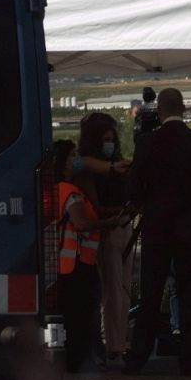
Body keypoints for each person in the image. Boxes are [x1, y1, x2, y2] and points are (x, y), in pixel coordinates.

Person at [123, 88, 191, 376]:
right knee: (188, 295)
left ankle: (138, 357)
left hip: (157, 228)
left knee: (151, 295)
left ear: (159, 111)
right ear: (184, 108)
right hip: (190, 227)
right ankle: (188, 361)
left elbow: (134, 187)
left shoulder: (147, 143)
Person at [51, 140, 126, 373]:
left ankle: (78, 359)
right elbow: (81, 223)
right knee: (84, 315)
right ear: (62, 162)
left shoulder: (56, 189)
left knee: (72, 314)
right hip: (78, 263)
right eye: (72, 155)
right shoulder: (70, 192)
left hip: (66, 264)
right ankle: (87, 359)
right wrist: (107, 224)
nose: (77, 159)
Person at [78, 113, 134, 364]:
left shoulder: (116, 168)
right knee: (113, 291)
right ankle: (115, 344)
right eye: (105, 140)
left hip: (123, 228)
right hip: (108, 231)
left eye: (112, 140)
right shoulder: (88, 171)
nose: (110, 145)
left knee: (123, 290)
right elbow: (96, 207)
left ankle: (118, 340)